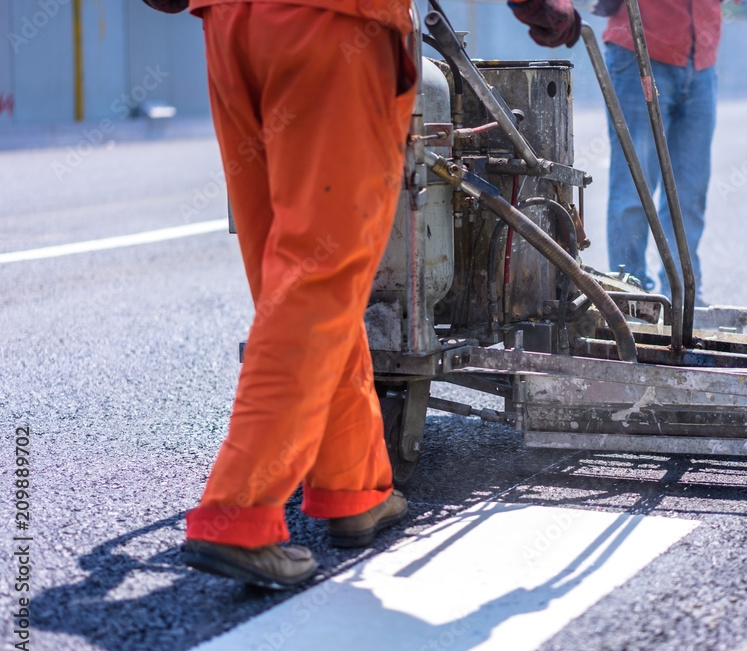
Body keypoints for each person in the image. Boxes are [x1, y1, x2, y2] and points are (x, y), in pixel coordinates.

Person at [143, 0, 580, 590]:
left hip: (231, 28)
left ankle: (354, 483)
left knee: (300, 283)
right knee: (318, 278)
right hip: (334, 27)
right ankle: (238, 510)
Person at [599, 0, 726, 302]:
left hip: (700, 59)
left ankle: (682, 292)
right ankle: (630, 294)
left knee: (689, 191)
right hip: (641, 49)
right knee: (635, 183)